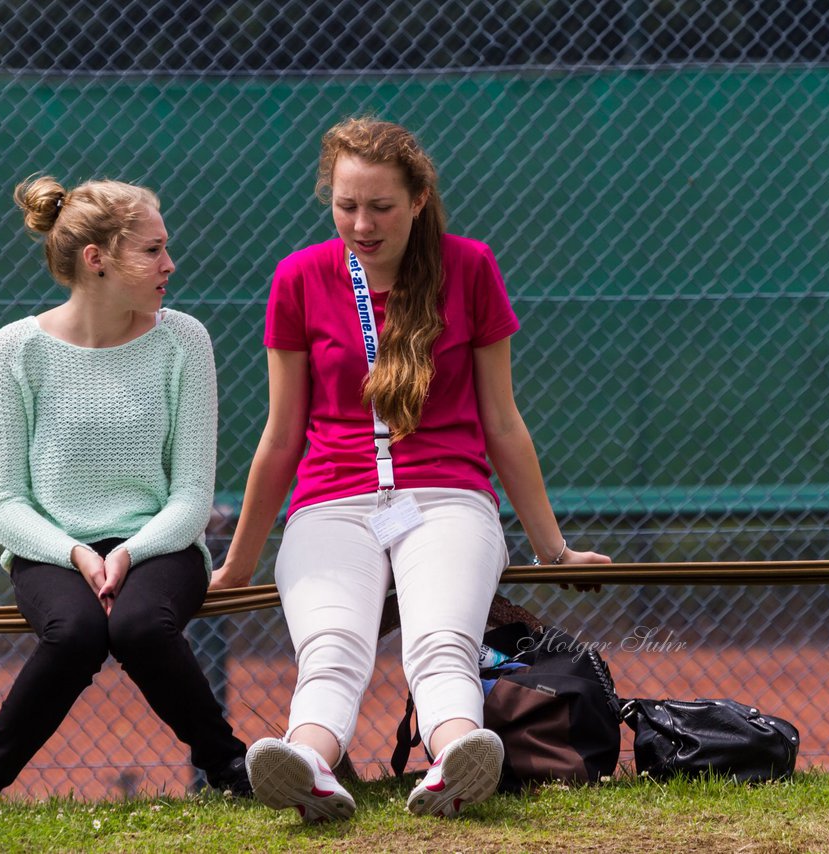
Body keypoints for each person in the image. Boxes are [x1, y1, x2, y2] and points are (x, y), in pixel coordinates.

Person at [209, 118, 610, 822]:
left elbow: (503, 423)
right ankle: (305, 762)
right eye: (345, 205)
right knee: (331, 647)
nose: (361, 224)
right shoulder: (298, 278)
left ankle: (457, 755)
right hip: (332, 499)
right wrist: (238, 565)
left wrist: (554, 548)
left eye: (381, 207)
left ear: (419, 200)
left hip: (448, 496)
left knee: (440, 641)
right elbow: (280, 438)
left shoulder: (471, 266)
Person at [0, 176, 250, 816]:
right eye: (152, 250)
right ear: (96, 260)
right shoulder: (16, 349)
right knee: (77, 633)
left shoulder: (185, 339)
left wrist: (127, 554)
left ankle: (231, 767)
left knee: (141, 626)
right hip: (50, 548)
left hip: (161, 543)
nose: (169, 264)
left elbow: (191, 494)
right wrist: (75, 554)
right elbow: (6, 504)